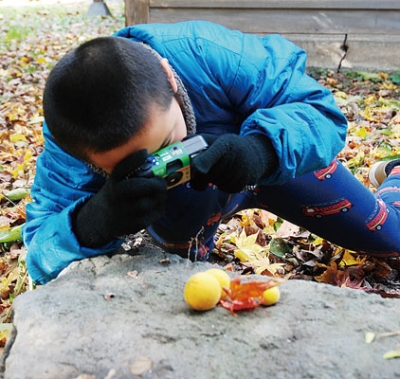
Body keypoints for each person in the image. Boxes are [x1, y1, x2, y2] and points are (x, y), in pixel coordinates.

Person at [23, 20, 400, 285]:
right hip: (184, 210)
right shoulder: (70, 140)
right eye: (138, 164)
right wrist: (94, 221)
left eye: (168, 142)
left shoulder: (208, 53)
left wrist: (260, 150)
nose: (169, 160)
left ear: (170, 77)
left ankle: (394, 175)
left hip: (274, 166)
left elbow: (322, 113)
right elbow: (40, 254)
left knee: (391, 239)